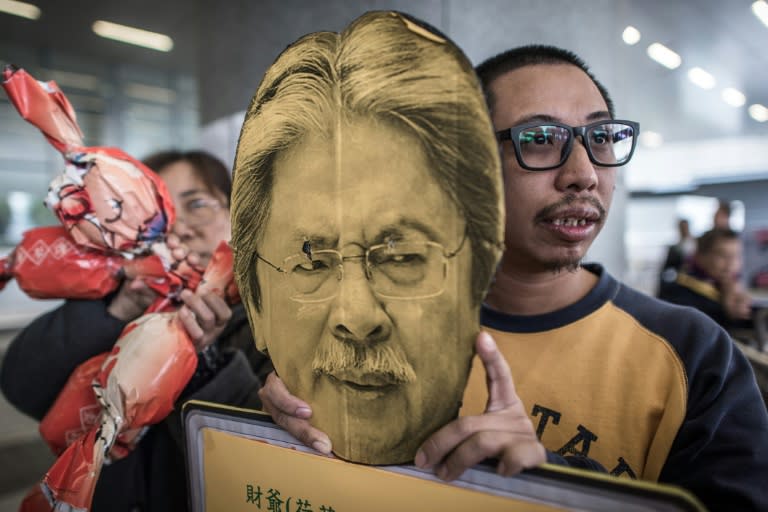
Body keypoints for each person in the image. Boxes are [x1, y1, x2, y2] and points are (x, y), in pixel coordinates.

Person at [258, 41, 768, 510]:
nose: (583, 173)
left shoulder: (692, 351)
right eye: (541, 138)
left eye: (602, 137)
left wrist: (549, 482)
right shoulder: (371, 329)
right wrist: (289, 427)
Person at [230, 11, 506, 465]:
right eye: (312, 262)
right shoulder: (229, 455)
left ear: (479, 274)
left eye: (401, 258)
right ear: (256, 304)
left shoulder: (532, 471)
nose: (357, 317)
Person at [0, 150, 272, 512]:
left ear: (236, 213)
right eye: (157, 214)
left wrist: (202, 359)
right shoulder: (113, 301)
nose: (179, 227)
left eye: (198, 204)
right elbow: (22, 386)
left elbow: (262, 462)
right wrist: (120, 310)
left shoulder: (270, 323)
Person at [659, 228, 754, 332]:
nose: (731, 263)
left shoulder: (727, 287)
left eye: (736, 256)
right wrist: (727, 312)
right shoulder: (678, 293)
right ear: (700, 257)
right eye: (722, 255)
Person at [657, 218, 695, 296]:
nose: (683, 230)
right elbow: (666, 269)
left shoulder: (696, 245)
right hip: (678, 281)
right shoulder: (673, 248)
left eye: (685, 227)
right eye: (681, 228)